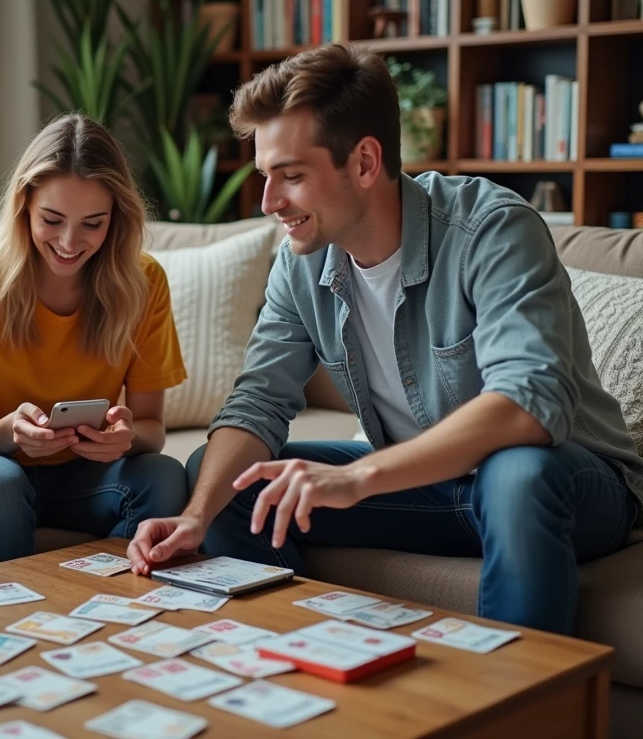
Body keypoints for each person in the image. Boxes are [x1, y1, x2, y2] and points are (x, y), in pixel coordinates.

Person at [127, 43, 643, 635]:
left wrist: (356, 478)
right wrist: (195, 516)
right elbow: (258, 402)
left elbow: (531, 404)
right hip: (426, 485)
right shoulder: (300, 264)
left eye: (291, 176)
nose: (269, 202)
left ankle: (522, 709)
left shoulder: (491, 228)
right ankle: (307, 662)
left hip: (569, 484)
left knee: (515, 473)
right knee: (233, 485)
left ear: (366, 162)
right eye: (265, 176)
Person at [0, 113, 190, 567]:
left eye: (93, 223)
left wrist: (123, 437)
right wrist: (10, 432)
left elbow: (152, 429)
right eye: (52, 219)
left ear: (116, 218)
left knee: (162, 476)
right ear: (24, 206)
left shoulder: (143, 281)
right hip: (1, 466)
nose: (70, 241)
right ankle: (9, 618)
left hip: (91, 476)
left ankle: (114, 604)